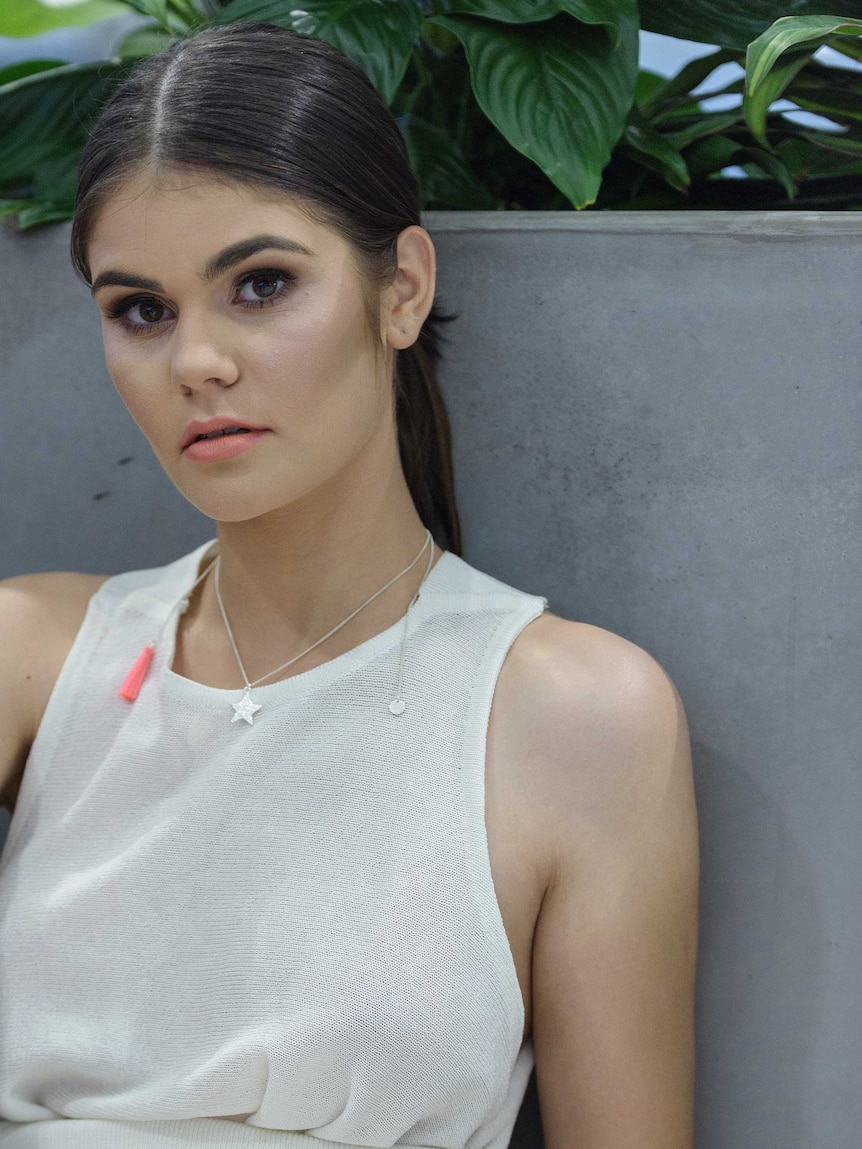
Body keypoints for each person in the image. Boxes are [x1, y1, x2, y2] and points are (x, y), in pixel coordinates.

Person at [0, 22, 699, 1149]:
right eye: (141, 311)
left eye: (261, 284)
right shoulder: (31, 656)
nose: (197, 363)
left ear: (402, 290)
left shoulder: (577, 718)